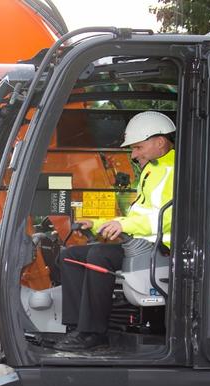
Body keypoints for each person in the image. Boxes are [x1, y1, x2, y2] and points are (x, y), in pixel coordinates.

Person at [57, 111, 176, 351]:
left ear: (160, 142)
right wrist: (99, 221)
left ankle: (93, 332)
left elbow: (169, 217)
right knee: (70, 255)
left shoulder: (175, 171)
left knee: (98, 256)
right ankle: (76, 326)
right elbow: (138, 216)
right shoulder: (153, 170)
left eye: (138, 147)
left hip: (162, 248)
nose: (134, 154)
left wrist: (124, 226)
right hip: (140, 244)